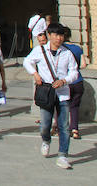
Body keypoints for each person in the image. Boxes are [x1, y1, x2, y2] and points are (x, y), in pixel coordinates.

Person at [23, 22, 79, 170]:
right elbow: (27, 61)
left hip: (63, 94)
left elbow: (74, 72)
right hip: (47, 93)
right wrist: (35, 74)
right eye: (56, 35)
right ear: (49, 35)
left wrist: (64, 81)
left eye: (61, 35)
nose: (59, 38)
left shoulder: (67, 53)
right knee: (45, 125)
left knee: (64, 127)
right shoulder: (40, 51)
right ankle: (46, 140)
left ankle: (62, 155)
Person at [62, 26, 85, 139]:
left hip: (66, 81)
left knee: (63, 106)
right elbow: (84, 64)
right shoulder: (78, 48)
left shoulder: (61, 49)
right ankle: (75, 129)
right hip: (78, 80)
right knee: (74, 106)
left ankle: (63, 128)